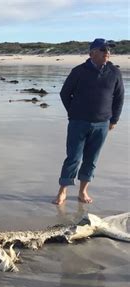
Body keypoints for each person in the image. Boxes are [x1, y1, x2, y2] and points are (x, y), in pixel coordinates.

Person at [53, 38, 124, 205]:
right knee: (73, 158)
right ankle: (62, 191)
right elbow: (65, 94)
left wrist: (114, 120)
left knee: (91, 159)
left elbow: (119, 98)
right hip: (78, 122)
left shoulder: (114, 72)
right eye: (103, 49)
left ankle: (83, 191)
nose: (107, 52)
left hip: (102, 124)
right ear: (92, 53)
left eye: (109, 50)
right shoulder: (78, 71)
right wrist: (74, 113)